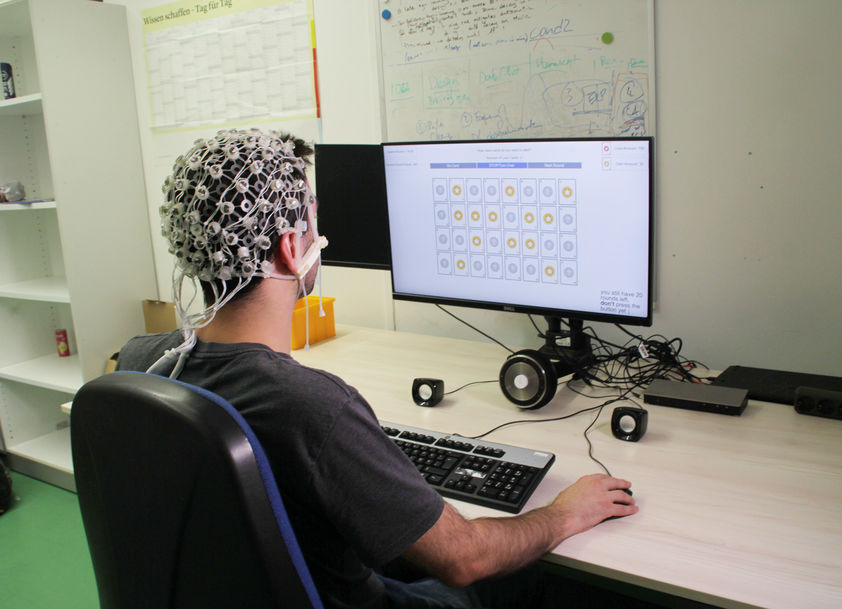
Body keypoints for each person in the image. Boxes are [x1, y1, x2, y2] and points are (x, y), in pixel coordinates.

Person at [116, 129, 637, 609]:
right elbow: (466, 559)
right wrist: (563, 513)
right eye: (313, 218)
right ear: (291, 247)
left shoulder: (139, 364)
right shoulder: (312, 406)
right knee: (527, 575)